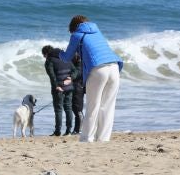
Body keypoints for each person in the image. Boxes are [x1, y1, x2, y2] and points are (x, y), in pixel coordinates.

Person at [60, 15, 123, 143]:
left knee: (92, 106)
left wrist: (57, 53)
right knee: (107, 106)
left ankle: (86, 138)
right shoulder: (97, 31)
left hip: (99, 70)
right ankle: (103, 139)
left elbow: (66, 57)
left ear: (74, 27)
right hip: (114, 67)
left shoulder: (77, 35)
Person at [42, 45, 74, 136]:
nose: (44, 57)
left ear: (46, 54)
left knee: (58, 109)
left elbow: (52, 76)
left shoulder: (49, 61)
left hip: (58, 89)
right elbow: (75, 70)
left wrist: (56, 86)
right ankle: (68, 131)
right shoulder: (65, 57)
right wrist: (71, 78)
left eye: (44, 55)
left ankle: (58, 131)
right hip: (69, 87)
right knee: (68, 108)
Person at [70, 52, 84, 134]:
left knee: (78, 109)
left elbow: (78, 73)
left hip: (79, 87)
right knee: (75, 109)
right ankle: (77, 129)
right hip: (74, 87)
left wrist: (71, 77)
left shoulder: (80, 62)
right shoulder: (73, 63)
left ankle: (79, 129)